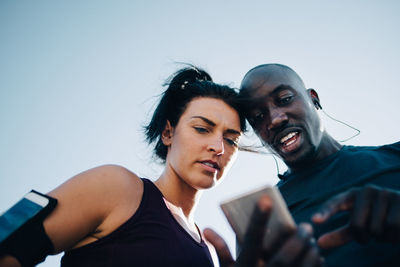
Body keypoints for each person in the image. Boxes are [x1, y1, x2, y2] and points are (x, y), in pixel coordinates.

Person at [0, 66, 247, 267]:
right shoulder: (118, 188)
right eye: (202, 129)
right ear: (168, 133)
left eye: (231, 139)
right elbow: (9, 242)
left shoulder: (210, 255)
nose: (219, 147)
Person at [214, 63, 400, 266]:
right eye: (258, 117)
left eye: (284, 99)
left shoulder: (394, 156)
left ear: (313, 99)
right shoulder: (261, 221)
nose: (275, 120)